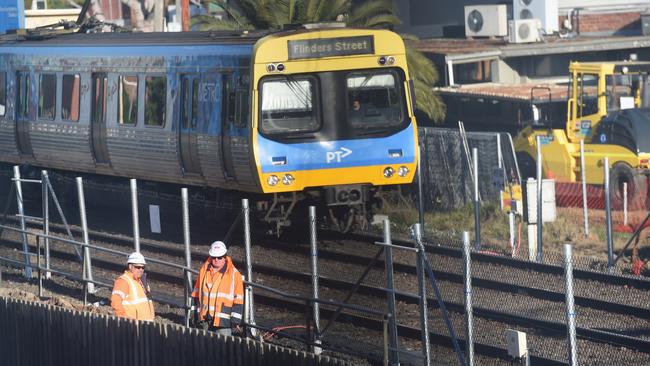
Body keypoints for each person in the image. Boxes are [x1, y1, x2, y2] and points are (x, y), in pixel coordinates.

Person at [191, 241, 244, 336]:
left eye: (220, 257)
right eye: (214, 257)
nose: (216, 260)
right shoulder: (204, 271)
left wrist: (235, 321)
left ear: (225, 257)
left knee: (223, 347)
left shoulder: (234, 275)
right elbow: (196, 293)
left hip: (223, 322)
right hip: (205, 320)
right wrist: (193, 313)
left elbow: (238, 299)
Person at [111, 252, 155, 321]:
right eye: (138, 267)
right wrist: (125, 321)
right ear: (130, 266)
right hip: (132, 326)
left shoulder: (142, 282)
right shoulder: (124, 281)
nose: (141, 270)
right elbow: (116, 302)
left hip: (146, 326)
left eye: (143, 267)